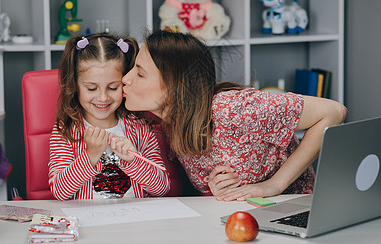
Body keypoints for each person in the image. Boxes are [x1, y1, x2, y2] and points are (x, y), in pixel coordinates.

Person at [121, 30, 347, 201]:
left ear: (173, 87)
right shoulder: (166, 123)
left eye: (139, 73)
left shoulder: (233, 109)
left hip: (293, 206)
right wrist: (216, 188)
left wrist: (275, 184)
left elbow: (334, 112)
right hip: (244, 214)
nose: (126, 79)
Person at [49, 33, 170, 200]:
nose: (103, 98)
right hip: (89, 222)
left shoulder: (139, 128)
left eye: (113, 87)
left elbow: (162, 188)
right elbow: (60, 192)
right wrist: (90, 156)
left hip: (137, 221)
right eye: (92, 88)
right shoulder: (67, 131)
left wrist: (134, 160)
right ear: (74, 86)